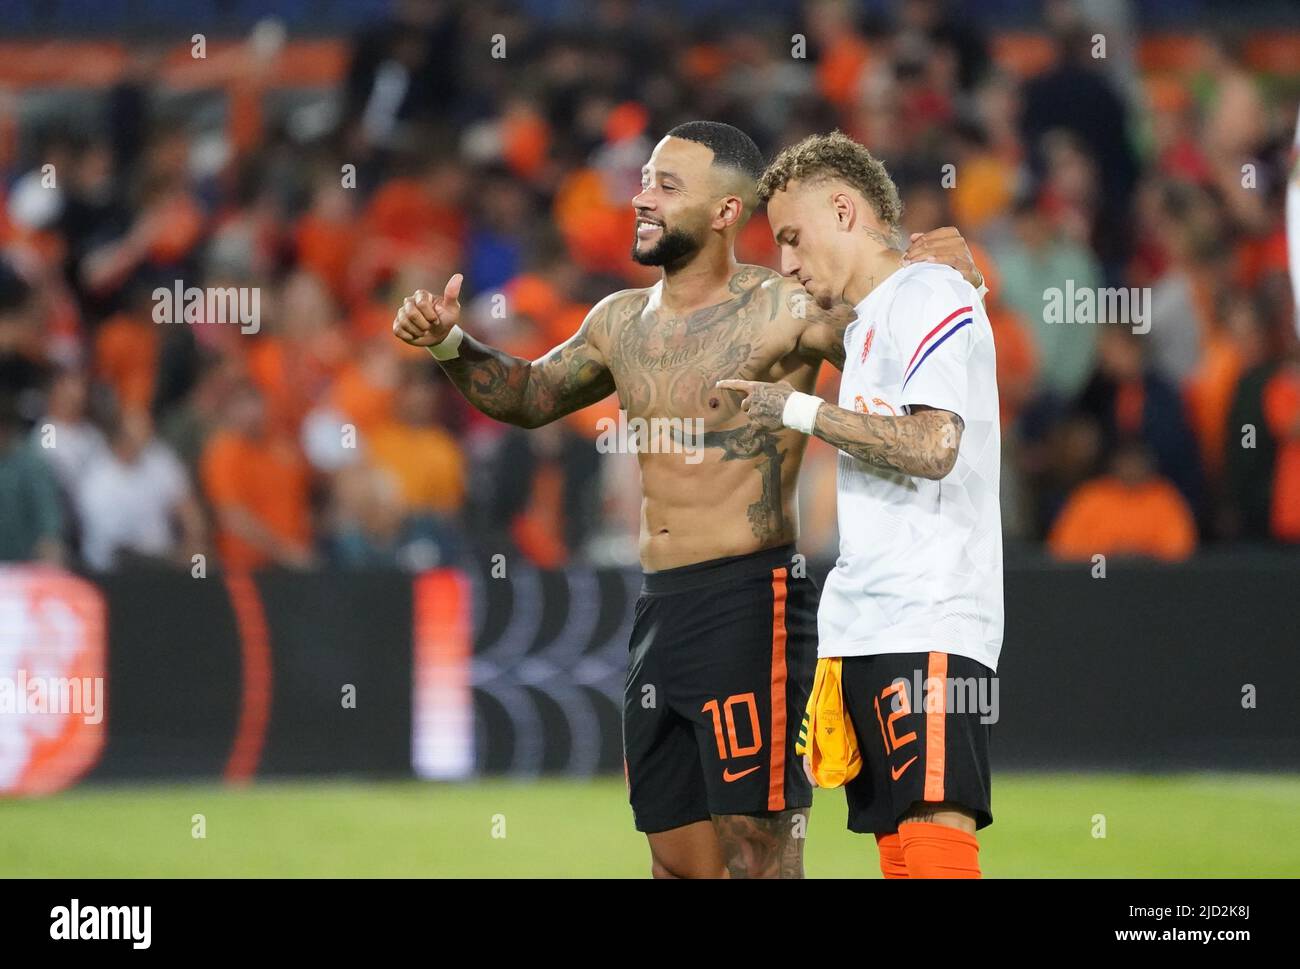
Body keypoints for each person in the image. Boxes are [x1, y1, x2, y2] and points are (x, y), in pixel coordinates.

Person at [393, 121, 983, 878]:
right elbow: (531, 394)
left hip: (752, 602)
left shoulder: (783, 306)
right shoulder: (617, 322)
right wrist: (450, 345)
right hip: (659, 606)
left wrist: (937, 275)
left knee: (757, 857)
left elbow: (894, 340)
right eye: (645, 180)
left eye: (666, 187)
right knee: (676, 859)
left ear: (726, 211)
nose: (640, 197)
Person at [719, 131, 1001, 878]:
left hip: (931, 614)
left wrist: (795, 411)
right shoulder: (875, 316)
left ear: (844, 209)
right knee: (902, 853)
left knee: (936, 842)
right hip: (868, 622)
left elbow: (934, 444)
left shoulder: (929, 293)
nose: (785, 259)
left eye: (792, 236)